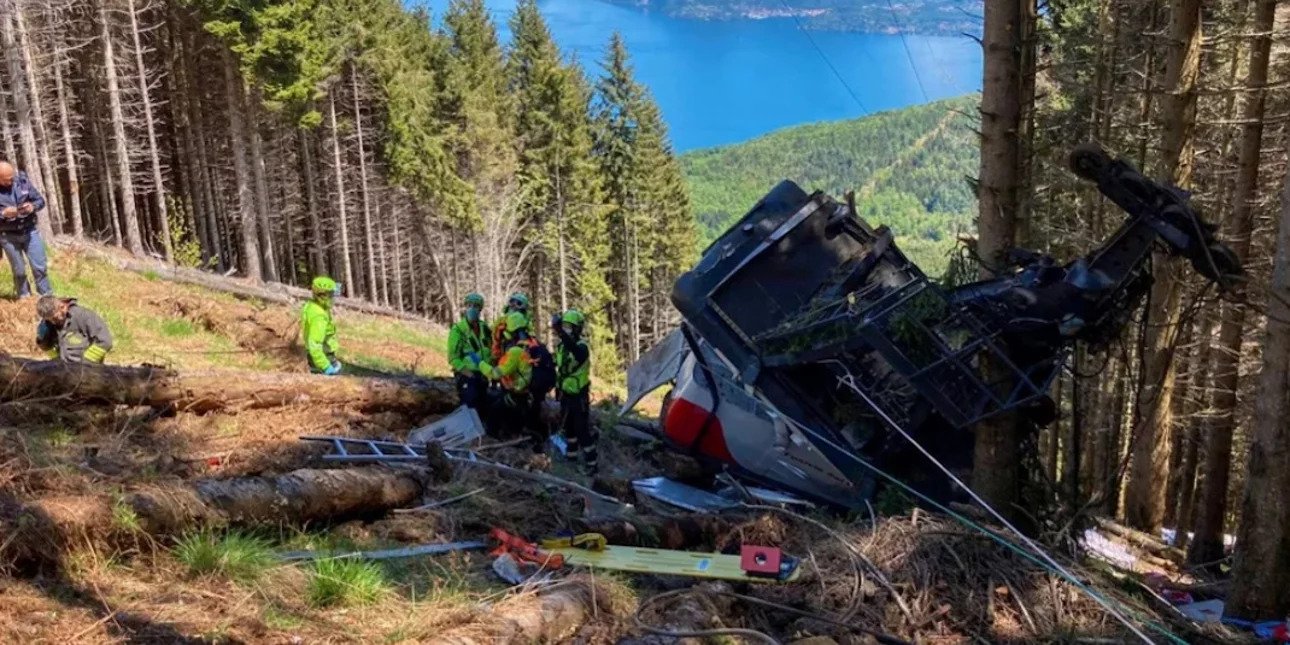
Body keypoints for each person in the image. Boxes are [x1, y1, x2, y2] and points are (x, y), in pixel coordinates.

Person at [482, 311, 555, 452]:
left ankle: (494, 442)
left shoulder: (515, 351)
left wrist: (479, 363)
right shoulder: (535, 346)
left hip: (519, 397)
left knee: (494, 409)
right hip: (534, 398)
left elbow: (496, 373)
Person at [552, 309, 596, 473]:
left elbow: (577, 354)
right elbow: (557, 364)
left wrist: (560, 332)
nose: (566, 329)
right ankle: (571, 457)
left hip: (579, 396)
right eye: (564, 326)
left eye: (569, 327)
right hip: (565, 394)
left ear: (577, 329)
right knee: (569, 428)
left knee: (581, 429)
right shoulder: (561, 347)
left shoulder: (581, 347)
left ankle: (592, 464)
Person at [0, 161, 51, 298]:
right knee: (19, 271)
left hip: (30, 231)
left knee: (39, 267)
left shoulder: (22, 182)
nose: (11, 181)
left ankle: (46, 298)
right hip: (8, 236)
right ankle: (25, 299)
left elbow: (40, 201)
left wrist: (32, 207)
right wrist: (4, 214)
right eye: (7, 180)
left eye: (12, 177)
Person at [35, 296, 112, 364]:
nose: (53, 322)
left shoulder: (83, 316)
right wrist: (57, 361)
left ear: (62, 307)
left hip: (87, 370)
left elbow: (105, 341)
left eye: (55, 318)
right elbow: (46, 347)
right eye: (50, 320)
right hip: (64, 370)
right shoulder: (48, 324)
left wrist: (86, 363)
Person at [448, 292, 491, 410]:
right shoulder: (458, 330)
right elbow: (453, 358)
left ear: (480, 309)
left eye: (476, 306)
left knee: (485, 408)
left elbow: (490, 350)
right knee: (470, 406)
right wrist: (468, 374)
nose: (472, 308)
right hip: (467, 375)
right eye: (469, 305)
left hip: (484, 375)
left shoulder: (485, 328)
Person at [301, 276, 342, 375]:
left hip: (322, 357)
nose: (333, 299)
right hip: (323, 359)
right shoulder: (318, 316)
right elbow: (314, 344)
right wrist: (326, 367)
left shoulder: (313, 306)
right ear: (322, 296)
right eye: (331, 295)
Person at [491, 292, 531, 362]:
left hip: (513, 352)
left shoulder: (521, 318)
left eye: (518, 303)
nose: (513, 306)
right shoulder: (501, 320)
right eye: (512, 302)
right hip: (501, 353)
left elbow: (524, 341)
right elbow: (494, 335)